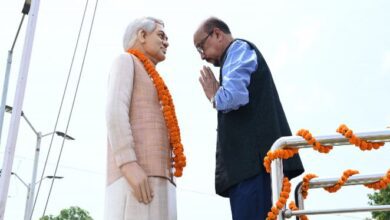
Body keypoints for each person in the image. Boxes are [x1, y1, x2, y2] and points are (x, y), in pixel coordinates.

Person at [193, 17, 304, 220]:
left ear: (217, 34)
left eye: (201, 47)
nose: (202, 56)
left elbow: (234, 96)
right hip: (252, 167)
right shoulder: (231, 56)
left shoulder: (237, 49)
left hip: (254, 167)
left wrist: (214, 96)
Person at [105, 17, 185, 220]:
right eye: (161, 36)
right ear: (142, 35)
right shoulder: (125, 61)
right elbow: (115, 110)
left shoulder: (155, 79)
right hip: (134, 176)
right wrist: (128, 164)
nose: (166, 42)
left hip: (162, 179)